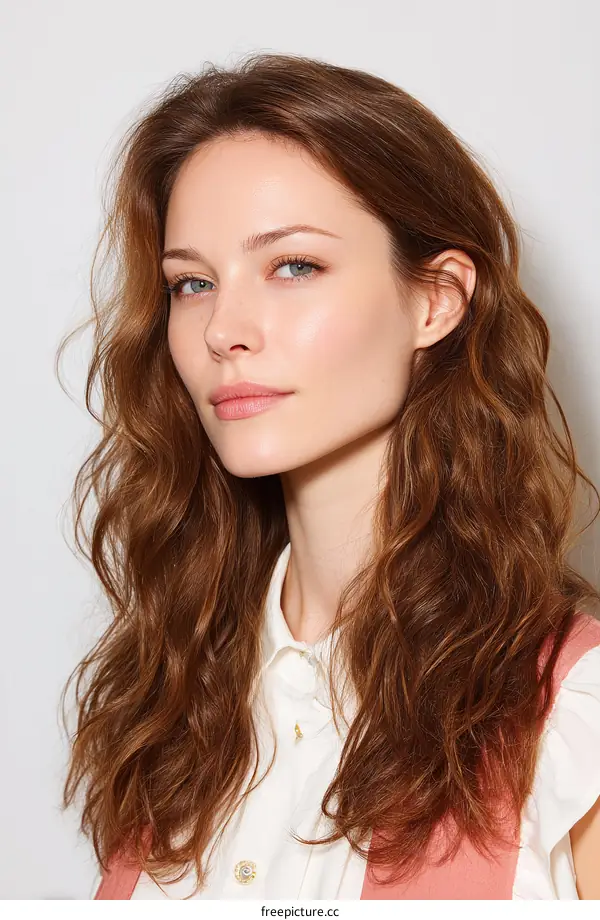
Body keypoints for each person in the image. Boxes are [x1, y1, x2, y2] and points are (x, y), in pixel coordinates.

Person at [57, 51, 600, 900]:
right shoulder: (169, 695)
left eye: (294, 266)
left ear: (437, 300)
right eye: (191, 282)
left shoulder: (575, 719)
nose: (222, 330)